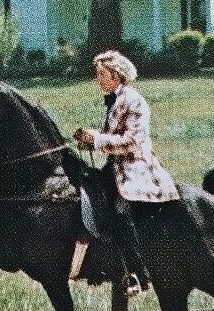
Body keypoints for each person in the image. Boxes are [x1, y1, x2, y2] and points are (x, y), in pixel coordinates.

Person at [73, 49, 180, 296]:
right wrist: (87, 140)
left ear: (116, 75)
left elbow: (131, 142)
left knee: (121, 211)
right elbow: (109, 139)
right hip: (116, 169)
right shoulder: (114, 101)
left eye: (102, 74)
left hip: (138, 170)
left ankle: (139, 275)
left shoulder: (134, 101)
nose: (98, 79)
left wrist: (97, 139)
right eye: (97, 74)